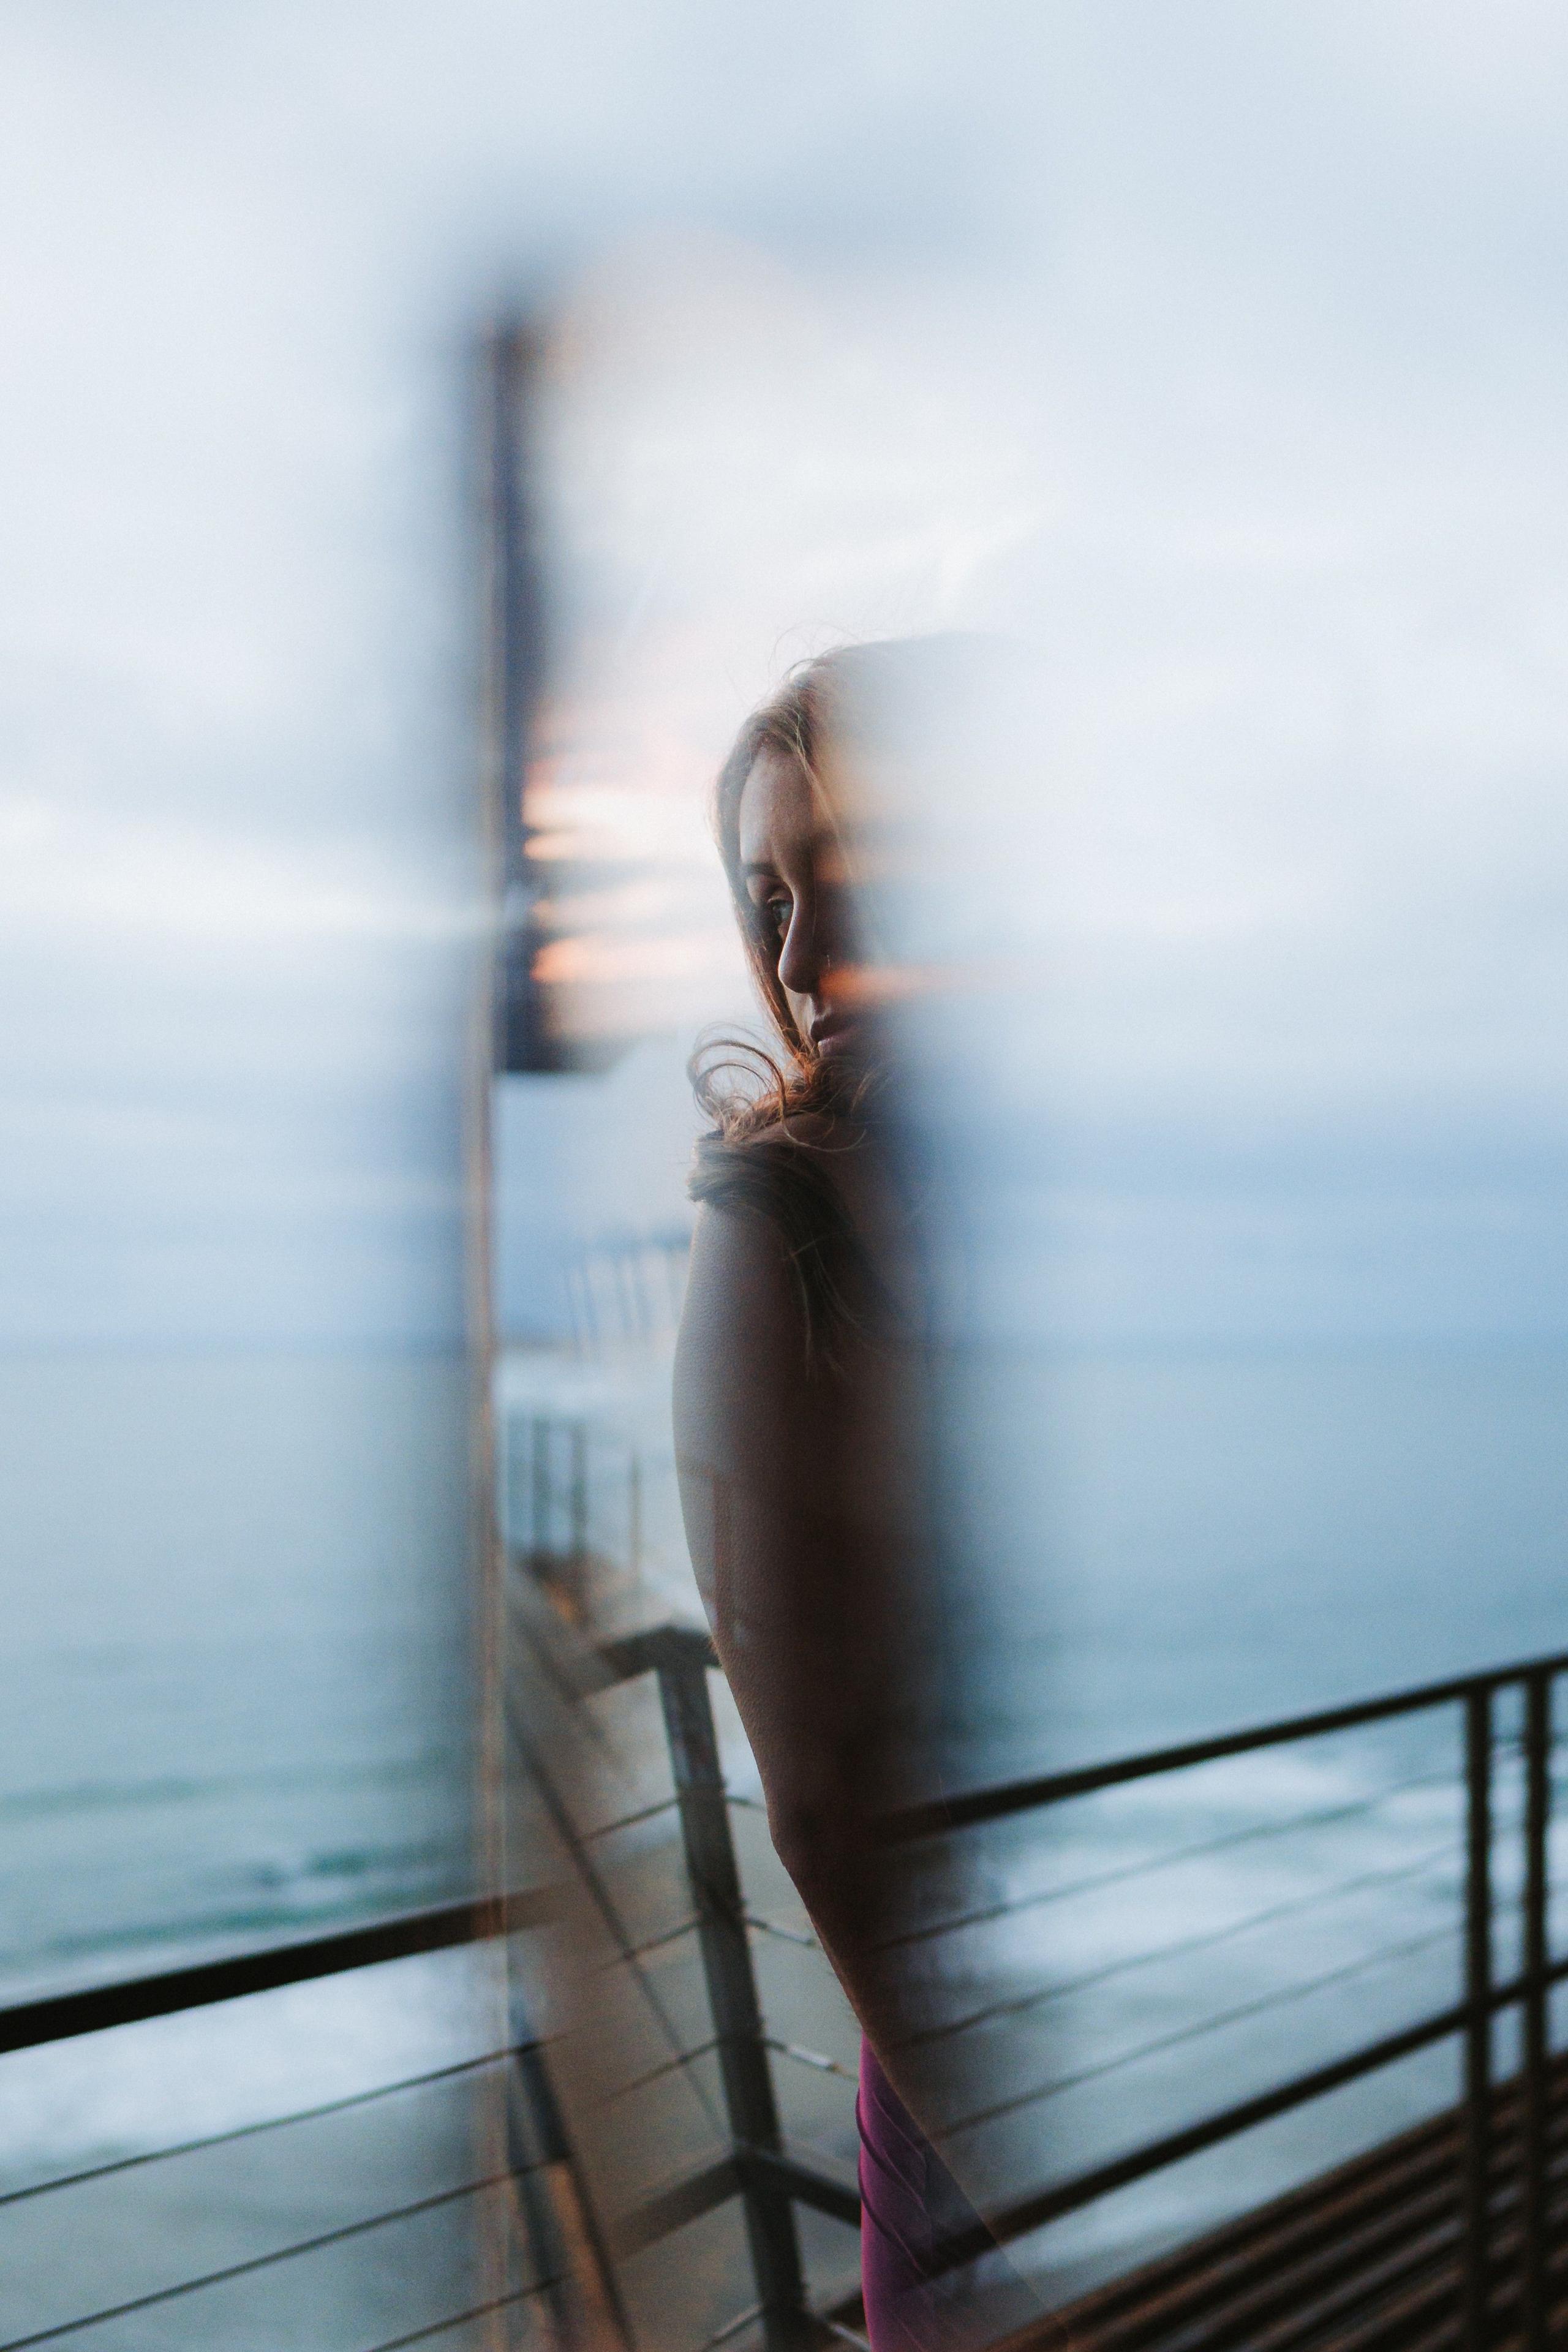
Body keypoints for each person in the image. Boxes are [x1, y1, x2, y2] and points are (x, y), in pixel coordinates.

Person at [674, 644, 1020, 2352]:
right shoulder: (785, 1234)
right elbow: (820, 1818)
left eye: (852, 880)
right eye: (769, 898)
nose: (799, 963)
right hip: (1005, 2144)